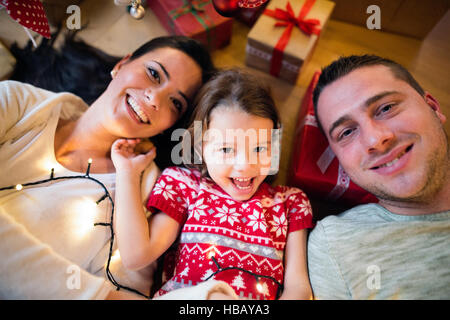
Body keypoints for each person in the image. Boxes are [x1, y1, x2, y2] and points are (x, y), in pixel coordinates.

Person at [0, 35, 216, 299]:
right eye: (153, 74)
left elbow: (128, 294)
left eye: (175, 103)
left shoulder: (146, 196)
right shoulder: (19, 102)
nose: (155, 98)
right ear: (122, 64)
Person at [112, 69, 314, 300]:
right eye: (226, 149)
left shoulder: (291, 203)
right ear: (200, 148)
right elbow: (136, 256)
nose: (245, 166)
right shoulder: (185, 185)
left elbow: (298, 289)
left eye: (260, 149)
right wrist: (127, 173)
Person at [308, 54, 450, 299]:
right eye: (347, 132)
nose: (375, 140)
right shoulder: (335, 244)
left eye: (386, 108)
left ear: (433, 108)